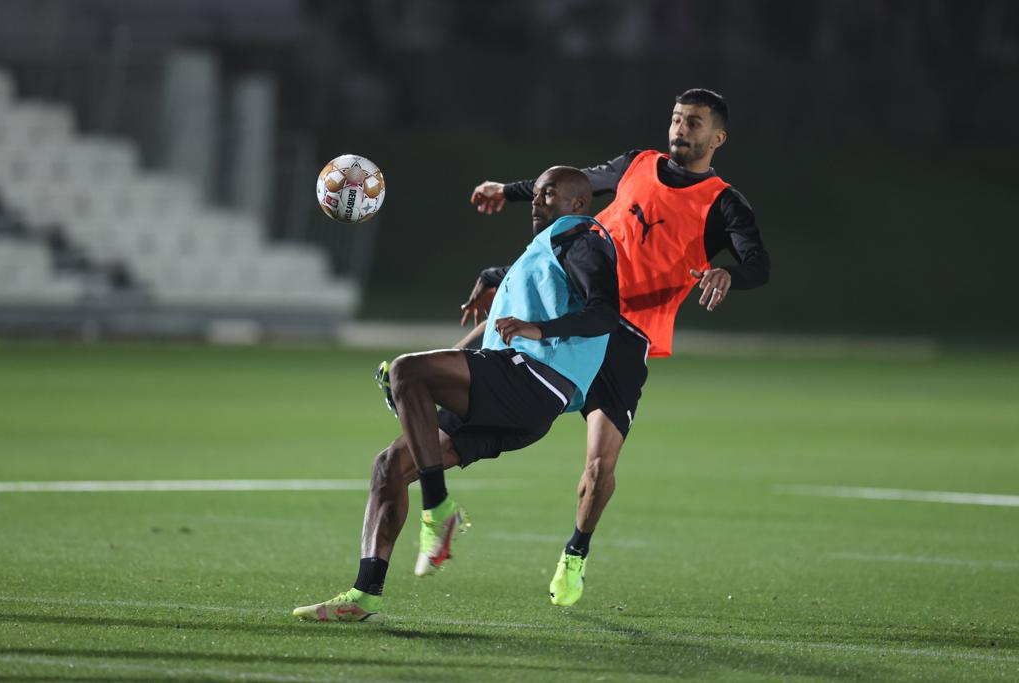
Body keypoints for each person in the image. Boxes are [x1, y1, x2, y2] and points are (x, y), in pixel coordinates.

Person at [464, 89, 771, 607]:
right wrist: (509, 190)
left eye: (693, 123)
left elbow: (759, 264)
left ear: (717, 137)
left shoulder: (724, 203)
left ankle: (575, 553)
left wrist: (727, 273)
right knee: (501, 320)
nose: (680, 129)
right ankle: (422, 380)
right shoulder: (637, 163)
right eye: (676, 119)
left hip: (627, 335)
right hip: (574, 301)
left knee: (599, 467)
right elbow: (573, 184)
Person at [293, 166, 619, 622]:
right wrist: (487, 297)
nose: (538, 201)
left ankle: (438, 508)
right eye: (537, 193)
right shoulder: (546, 248)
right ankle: (364, 595)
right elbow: (507, 319)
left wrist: (536, 328)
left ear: (578, 204)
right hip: (514, 395)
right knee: (389, 466)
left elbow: (605, 313)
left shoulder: (582, 240)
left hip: (532, 382)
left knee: (408, 369)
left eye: (549, 194)